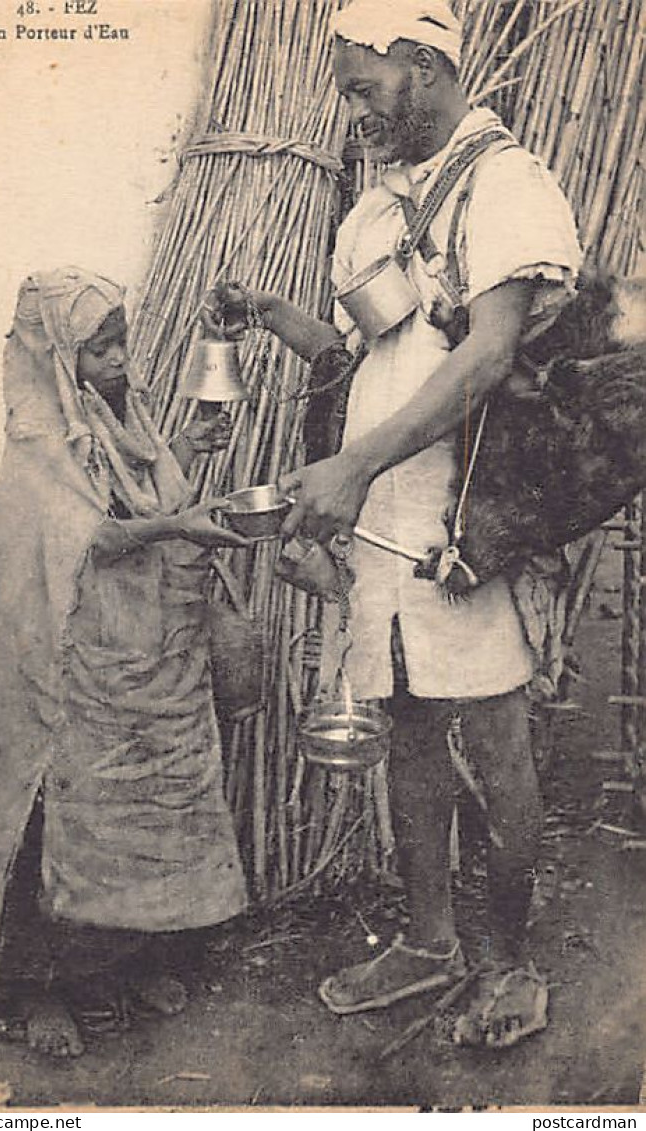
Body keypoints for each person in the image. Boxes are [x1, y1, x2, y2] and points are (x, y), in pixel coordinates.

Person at [205, 0, 582, 1049]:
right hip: (381, 530)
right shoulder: (379, 209)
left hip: (463, 531)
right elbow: (356, 359)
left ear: (420, 66)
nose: (353, 113)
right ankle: (427, 945)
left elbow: (486, 353)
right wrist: (270, 318)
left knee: (495, 746)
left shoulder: (506, 185)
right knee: (410, 736)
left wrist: (356, 465)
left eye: (365, 89)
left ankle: (509, 966)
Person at [0, 267, 249, 1058]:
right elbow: (92, 537)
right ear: (59, 354)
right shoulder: (40, 439)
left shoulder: (112, 417)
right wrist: (183, 529)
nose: (119, 360)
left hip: (131, 659)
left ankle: (120, 968)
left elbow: (134, 496)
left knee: (129, 817)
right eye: (100, 347)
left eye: (122, 342)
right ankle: (39, 992)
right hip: (62, 676)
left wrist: (179, 450)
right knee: (62, 824)